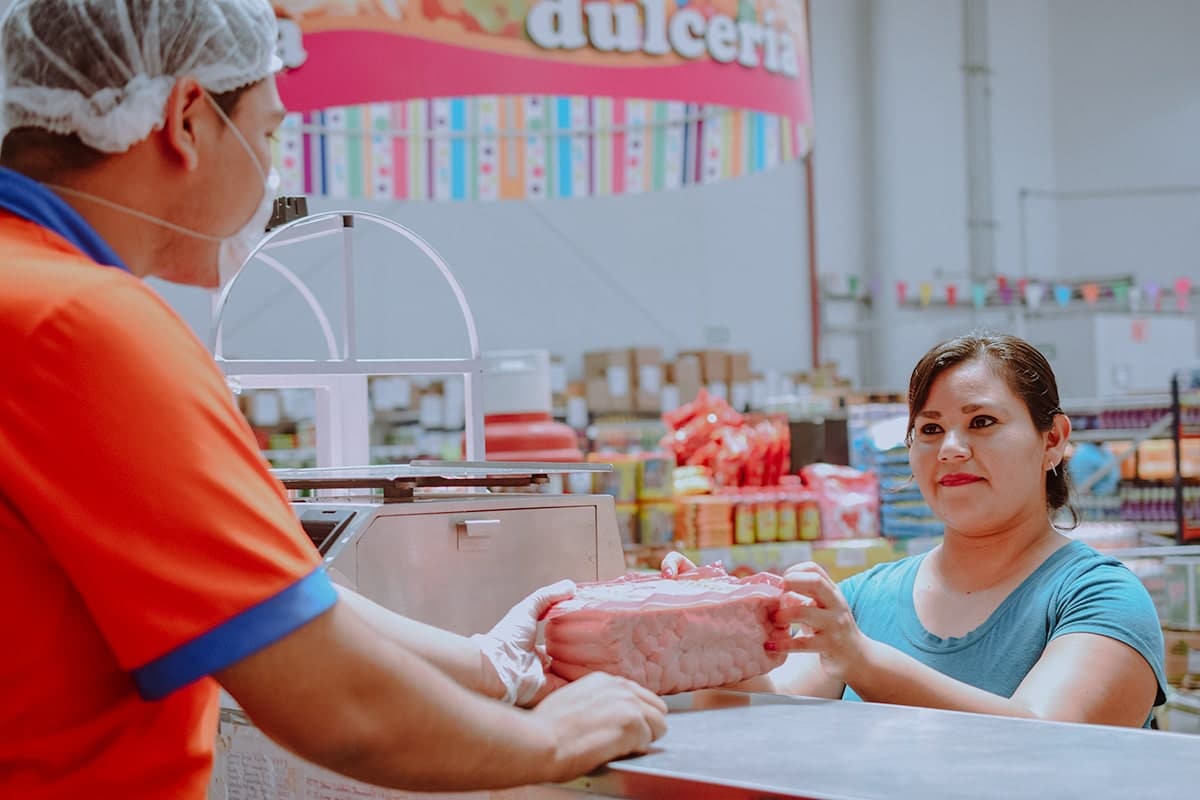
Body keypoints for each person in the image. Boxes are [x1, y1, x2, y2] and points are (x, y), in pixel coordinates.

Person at [0, 1, 665, 797]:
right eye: (270, 134)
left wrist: (490, 666)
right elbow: (330, 697)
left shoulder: (26, 296)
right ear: (185, 119)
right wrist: (552, 740)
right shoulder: (82, 326)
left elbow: (265, 603)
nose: (273, 168)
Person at [664, 333, 1167, 727]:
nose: (949, 448)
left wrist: (863, 661)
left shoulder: (1101, 599)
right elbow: (777, 714)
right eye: (929, 429)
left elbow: (1047, 737)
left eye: (982, 422)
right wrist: (718, 634)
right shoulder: (863, 599)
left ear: (1052, 440)